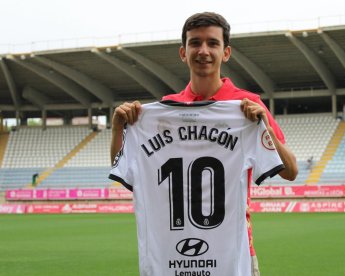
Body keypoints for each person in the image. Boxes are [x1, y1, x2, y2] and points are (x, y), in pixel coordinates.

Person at [110, 12, 298, 276]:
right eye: (195, 43)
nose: (203, 51)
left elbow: (290, 171)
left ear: (226, 52)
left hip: (233, 255)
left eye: (212, 43)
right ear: (183, 53)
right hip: (173, 257)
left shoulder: (247, 104)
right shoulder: (165, 110)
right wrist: (118, 128)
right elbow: (123, 169)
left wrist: (263, 123)